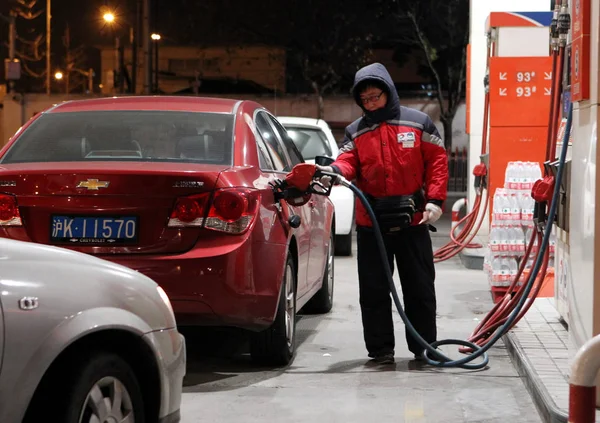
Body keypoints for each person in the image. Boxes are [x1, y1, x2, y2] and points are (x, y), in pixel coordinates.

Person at [318, 63, 448, 365]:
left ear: (388, 92)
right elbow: (347, 160)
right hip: (371, 224)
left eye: (376, 96)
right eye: (365, 99)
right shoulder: (356, 131)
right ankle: (380, 351)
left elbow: (438, 161)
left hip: (413, 220)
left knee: (420, 288)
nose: (371, 103)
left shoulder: (419, 123)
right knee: (374, 290)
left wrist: (436, 200)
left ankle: (424, 347)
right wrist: (334, 171)